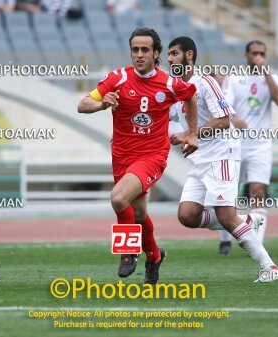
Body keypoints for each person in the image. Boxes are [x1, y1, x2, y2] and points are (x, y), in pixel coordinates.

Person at [77, 27, 199, 284]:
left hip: (152, 155)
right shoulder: (118, 78)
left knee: (119, 199)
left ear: (156, 54)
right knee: (140, 214)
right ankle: (154, 256)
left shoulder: (168, 83)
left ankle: (128, 250)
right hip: (122, 156)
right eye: (135, 50)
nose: (139, 55)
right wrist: (102, 104)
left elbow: (191, 96)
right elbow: (82, 104)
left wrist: (192, 133)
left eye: (145, 50)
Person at [167, 36, 278, 282]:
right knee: (187, 215)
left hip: (222, 155)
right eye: (168, 54)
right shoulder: (174, 89)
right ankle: (249, 221)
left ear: (189, 56)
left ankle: (270, 268)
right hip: (200, 160)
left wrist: (191, 134)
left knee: (227, 216)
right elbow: (169, 122)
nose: (169, 58)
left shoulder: (205, 82)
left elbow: (223, 121)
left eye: (174, 53)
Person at [218, 40, 278, 256]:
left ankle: (257, 244)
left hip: (261, 145)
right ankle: (225, 239)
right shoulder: (235, 78)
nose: (258, 56)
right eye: (254, 53)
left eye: (262, 53)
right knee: (228, 193)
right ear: (246, 55)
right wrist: (234, 118)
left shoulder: (272, 78)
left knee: (258, 192)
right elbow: (224, 104)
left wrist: (266, 73)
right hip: (235, 143)